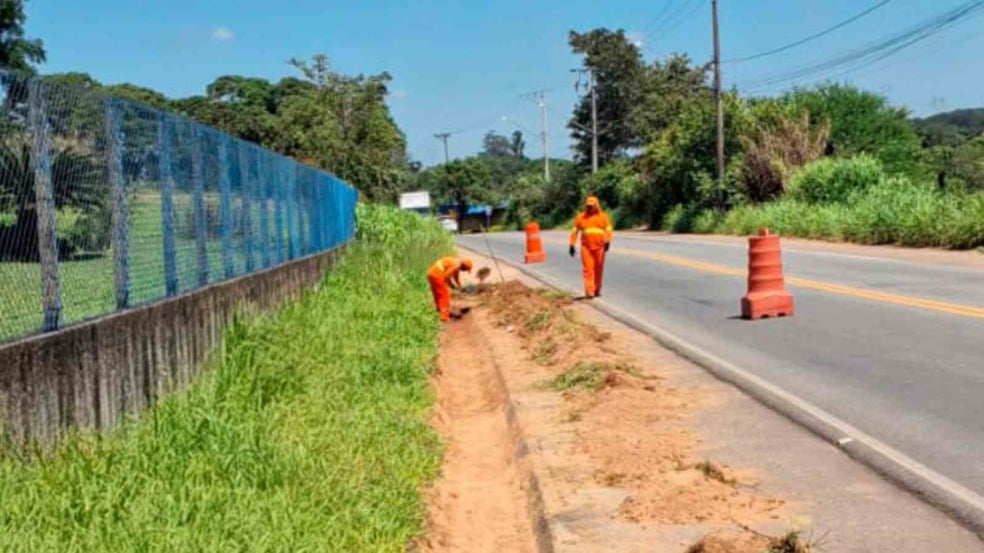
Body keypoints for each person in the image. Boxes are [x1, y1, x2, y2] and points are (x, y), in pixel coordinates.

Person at [568, 196, 613, 299]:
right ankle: (589, 290)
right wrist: (571, 244)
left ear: (596, 206)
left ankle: (597, 289)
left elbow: (608, 229)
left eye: (591, 206)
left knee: (598, 269)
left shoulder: (603, 217)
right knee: (588, 269)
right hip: (586, 247)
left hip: (600, 247)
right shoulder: (580, 217)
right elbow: (575, 231)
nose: (589, 208)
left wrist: (608, 241)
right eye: (588, 206)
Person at [427, 256, 473, 322]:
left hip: (431, 273)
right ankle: (444, 317)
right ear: (464, 267)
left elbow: (456, 277)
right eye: (466, 270)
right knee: (444, 295)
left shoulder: (456, 262)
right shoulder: (456, 265)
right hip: (437, 274)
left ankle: (439, 310)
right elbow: (447, 276)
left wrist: (460, 287)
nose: (464, 271)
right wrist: (451, 285)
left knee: (437, 293)